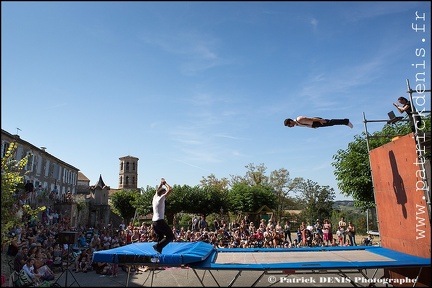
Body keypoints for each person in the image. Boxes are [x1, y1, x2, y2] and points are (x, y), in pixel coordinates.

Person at [151, 178, 175, 254]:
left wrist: (161, 184)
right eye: (164, 193)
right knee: (170, 236)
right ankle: (157, 247)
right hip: (159, 221)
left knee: (160, 238)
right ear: (162, 193)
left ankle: (158, 254)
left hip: (154, 222)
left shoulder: (155, 197)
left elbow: (157, 190)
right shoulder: (161, 198)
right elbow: (170, 189)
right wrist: (165, 183)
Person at [284, 116, 353, 128]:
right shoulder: (297, 124)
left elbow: (310, 118)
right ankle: (345, 122)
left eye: (289, 125)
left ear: (290, 121)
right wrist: (312, 127)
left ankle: (346, 121)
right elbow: (306, 124)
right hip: (314, 124)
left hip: (316, 121)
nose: (290, 127)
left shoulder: (299, 119)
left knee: (331, 122)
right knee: (331, 123)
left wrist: (320, 120)